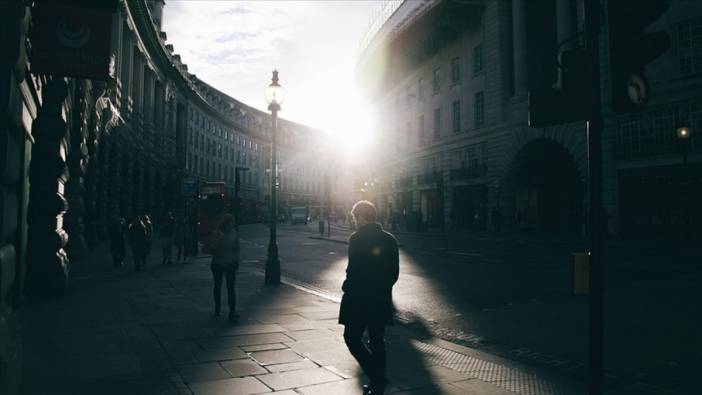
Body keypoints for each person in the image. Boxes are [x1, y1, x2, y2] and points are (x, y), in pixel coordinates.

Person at [339, 200, 399, 395]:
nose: (354, 221)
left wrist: (347, 287)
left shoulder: (356, 238)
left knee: (351, 338)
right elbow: (393, 274)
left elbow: (354, 269)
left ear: (363, 217)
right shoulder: (390, 239)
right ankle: (378, 381)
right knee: (377, 340)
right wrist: (381, 288)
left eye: (356, 217)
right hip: (380, 298)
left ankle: (377, 376)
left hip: (359, 299)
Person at [206, 214, 240, 321]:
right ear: (226, 223)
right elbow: (211, 248)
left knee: (231, 288)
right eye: (231, 222)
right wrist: (218, 242)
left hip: (230, 264)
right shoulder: (217, 233)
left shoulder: (235, 234)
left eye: (233, 222)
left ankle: (232, 311)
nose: (233, 224)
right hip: (218, 263)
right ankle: (217, 308)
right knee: (217, 286)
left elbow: (237, 249)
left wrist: (235, 260)